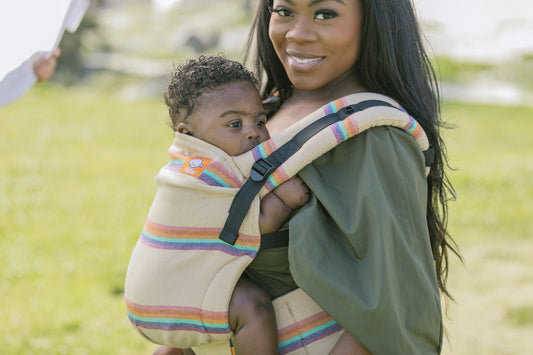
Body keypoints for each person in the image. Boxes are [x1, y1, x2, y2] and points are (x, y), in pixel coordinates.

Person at [236, 0, 461, 353]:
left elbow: (391, 308)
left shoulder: (373, 137)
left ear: (374, 23)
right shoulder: (262, 112)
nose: (297, 33)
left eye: (325, 14)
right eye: (284, 11)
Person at [125, 55, 309, 355]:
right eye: (234, 124)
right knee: (252, 306)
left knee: (183, 348)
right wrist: (285, 200)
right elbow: (252, 223)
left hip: (156, 296)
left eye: (260, 121)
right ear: (188, 134)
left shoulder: (186, 165)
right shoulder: (206, 174)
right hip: (174, 296)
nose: (253, 132)